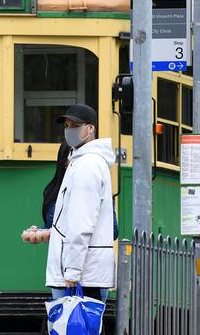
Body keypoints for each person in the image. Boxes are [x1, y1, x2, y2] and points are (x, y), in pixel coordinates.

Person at [45, 104, 115, 302]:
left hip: (81, 275)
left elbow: (81, 222)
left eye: (75, 125)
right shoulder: (82, 161)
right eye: (66, 125)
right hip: (83, 273)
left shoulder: (88, 164)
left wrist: (73, 271)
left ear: (90, 129)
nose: (69, 130)